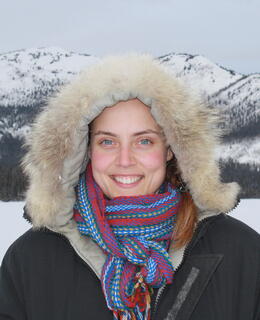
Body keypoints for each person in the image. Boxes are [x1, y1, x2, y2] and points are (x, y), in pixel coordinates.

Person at [0, 54, 259, 320]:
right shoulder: (30, 260)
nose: (125, 160)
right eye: (107, 142)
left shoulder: (242, 253)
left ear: (170, 149)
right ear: (86, 150)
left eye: (144, 141)